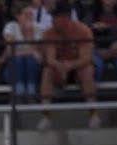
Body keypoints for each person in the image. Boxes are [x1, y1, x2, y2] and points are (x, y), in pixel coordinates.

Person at [38, 0, 99, 130]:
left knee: (87, 71)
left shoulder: (83, 30)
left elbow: (86, 57)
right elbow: (50, 58)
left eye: (55, 16)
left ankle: (93, 115)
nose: (52, 20)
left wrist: (70, 65)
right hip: (58, 67)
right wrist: (60, 66)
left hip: (78, 66)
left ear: (65, 17)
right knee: (47, 71)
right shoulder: (49, 33)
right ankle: (46, 117)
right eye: (52, 16)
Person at [3, 2, 43, 99]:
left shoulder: (38, 28)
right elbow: (10, 51)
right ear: (18, 16)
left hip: (33, 67)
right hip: (14, 67)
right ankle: (19, 92)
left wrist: (29, 35)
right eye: (26, 14)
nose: (30, 17)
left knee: (29, 60)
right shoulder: (11, 27)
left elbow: (40, 55)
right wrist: (32, 52)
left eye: (31, 14)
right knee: (20, 60)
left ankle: (31, 90)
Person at [90, 0, 117, 81]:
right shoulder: (92, 15)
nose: (109, 2)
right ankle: (94, 92)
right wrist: (97, 49)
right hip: (98, 51)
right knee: (97, 66)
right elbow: (86, 35)